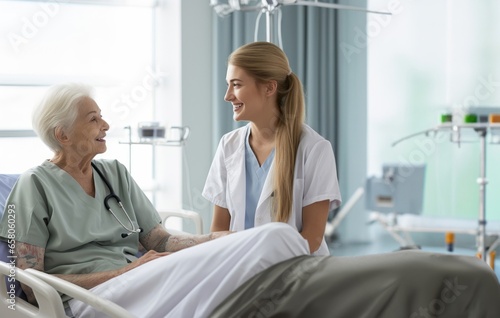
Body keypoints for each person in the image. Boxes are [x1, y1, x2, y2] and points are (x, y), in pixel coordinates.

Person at [0, 83, 310, 317]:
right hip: (91, 298)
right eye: (93, 119)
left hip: (141, 281)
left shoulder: (113, 173)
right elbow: (27, 283)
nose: (105, 126)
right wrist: (125, 272)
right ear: (63, 135)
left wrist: (219, 239)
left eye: (102, 117)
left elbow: (159, 241)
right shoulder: (33, 186)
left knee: (277, 235)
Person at [203, 41, 342, 256]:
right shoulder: (228, 146)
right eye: (228, 85)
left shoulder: (314, 149)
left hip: (295, 271)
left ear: (269, 87)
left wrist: (260, 263)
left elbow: (312, 238)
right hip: (238, 268)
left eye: (237, 85)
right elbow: (219, 231)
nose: (227, 95)